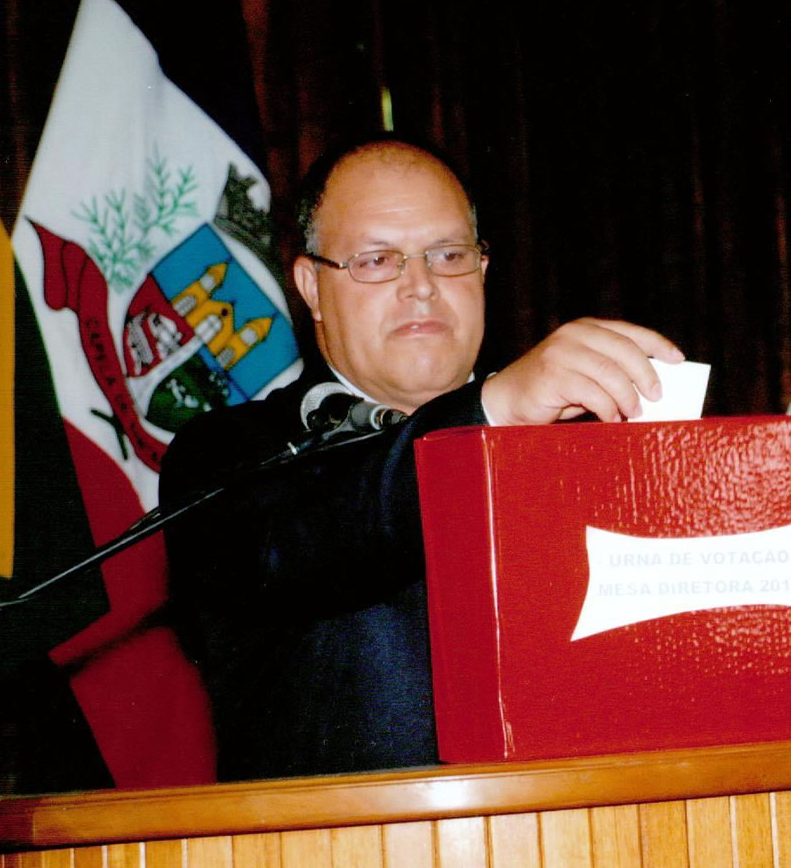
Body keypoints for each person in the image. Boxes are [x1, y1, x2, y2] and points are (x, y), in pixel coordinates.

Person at [160, 136, 684, 782]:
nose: (422, 287)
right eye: (378, 260)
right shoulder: (227, 455)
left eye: (449, 255)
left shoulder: (588, 438)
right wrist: (487, 413)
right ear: (312, 286)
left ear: (482, 270)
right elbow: (315, 540)